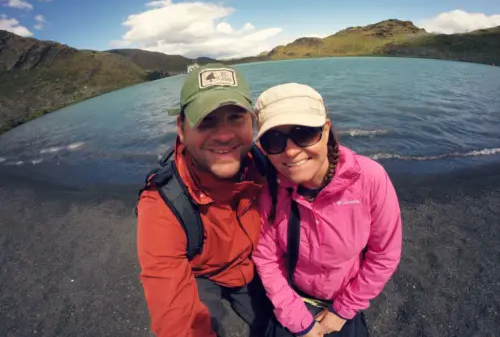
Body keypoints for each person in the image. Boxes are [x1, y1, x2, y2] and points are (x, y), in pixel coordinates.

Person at [136, 64, 287, 337]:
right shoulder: (162, 203)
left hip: (255, 264)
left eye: (235, 118)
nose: (225, 135)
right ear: (181, 128)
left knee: (285, 325)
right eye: (206, 120)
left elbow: (318, 161)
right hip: (201, 274)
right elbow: (176, 316)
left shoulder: (268, 163)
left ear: (252, 122)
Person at [252, 83, 403, 337]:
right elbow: (267, 260)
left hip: (343, 304)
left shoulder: (369, 179)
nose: (290, 150)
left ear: (326, 129)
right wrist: (300, 322)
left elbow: (384, 255)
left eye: (305, 133)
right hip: (292, 302)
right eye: (274, 139)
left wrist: (343, 310)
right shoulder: (270, 191)